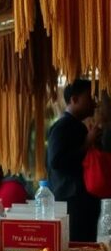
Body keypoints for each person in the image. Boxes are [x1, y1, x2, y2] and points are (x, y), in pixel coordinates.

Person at [47, 79, 101, 241]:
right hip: (72, 201)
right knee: (78, 246)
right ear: (74, 99)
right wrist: (86, 143)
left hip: (82, 199)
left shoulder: (77, 125)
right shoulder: (62, 127)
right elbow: (56, 161)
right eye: (90, 97)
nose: (95, 102)